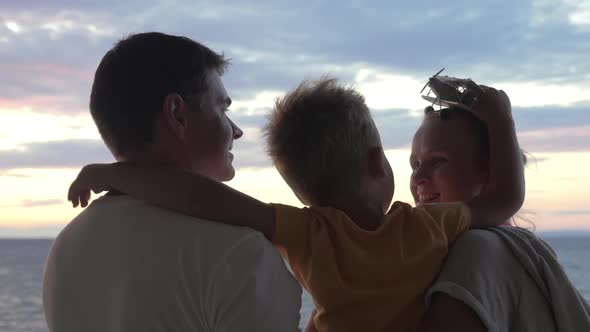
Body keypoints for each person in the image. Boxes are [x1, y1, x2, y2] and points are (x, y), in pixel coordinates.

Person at [67, 77, 525, 332]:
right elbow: (506, 198)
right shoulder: (428, 228)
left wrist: (114, 173)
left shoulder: (306, 234)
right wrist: (500, 118)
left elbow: (199, 196)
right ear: (376, 163)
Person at [42, 32, 302, 332]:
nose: (237, 131)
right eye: (222, 108)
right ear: (177, 114)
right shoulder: (238, 253)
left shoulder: (67, 247)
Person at [413, 107, 590, 332]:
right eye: (415, 165)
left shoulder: (476, 251)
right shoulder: (434, 247)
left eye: (437, 161)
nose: (418, 178)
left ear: (493, 173)